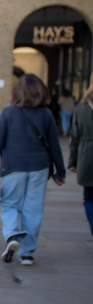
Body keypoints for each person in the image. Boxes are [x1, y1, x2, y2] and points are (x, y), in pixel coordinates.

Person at [0, 74, 65, 267]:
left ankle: (12, 234)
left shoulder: (8, 112)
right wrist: (60, 172)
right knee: (33, 210)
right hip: (39, 168)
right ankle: (27, 254)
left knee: (10, 204)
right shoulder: (46, 114)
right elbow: (55, 146)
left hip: (13, 168)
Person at [68, 76, 93, 236]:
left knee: (89, 197)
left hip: (87, 155)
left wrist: (73, 161)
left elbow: (74, 137)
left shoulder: (82, 106)